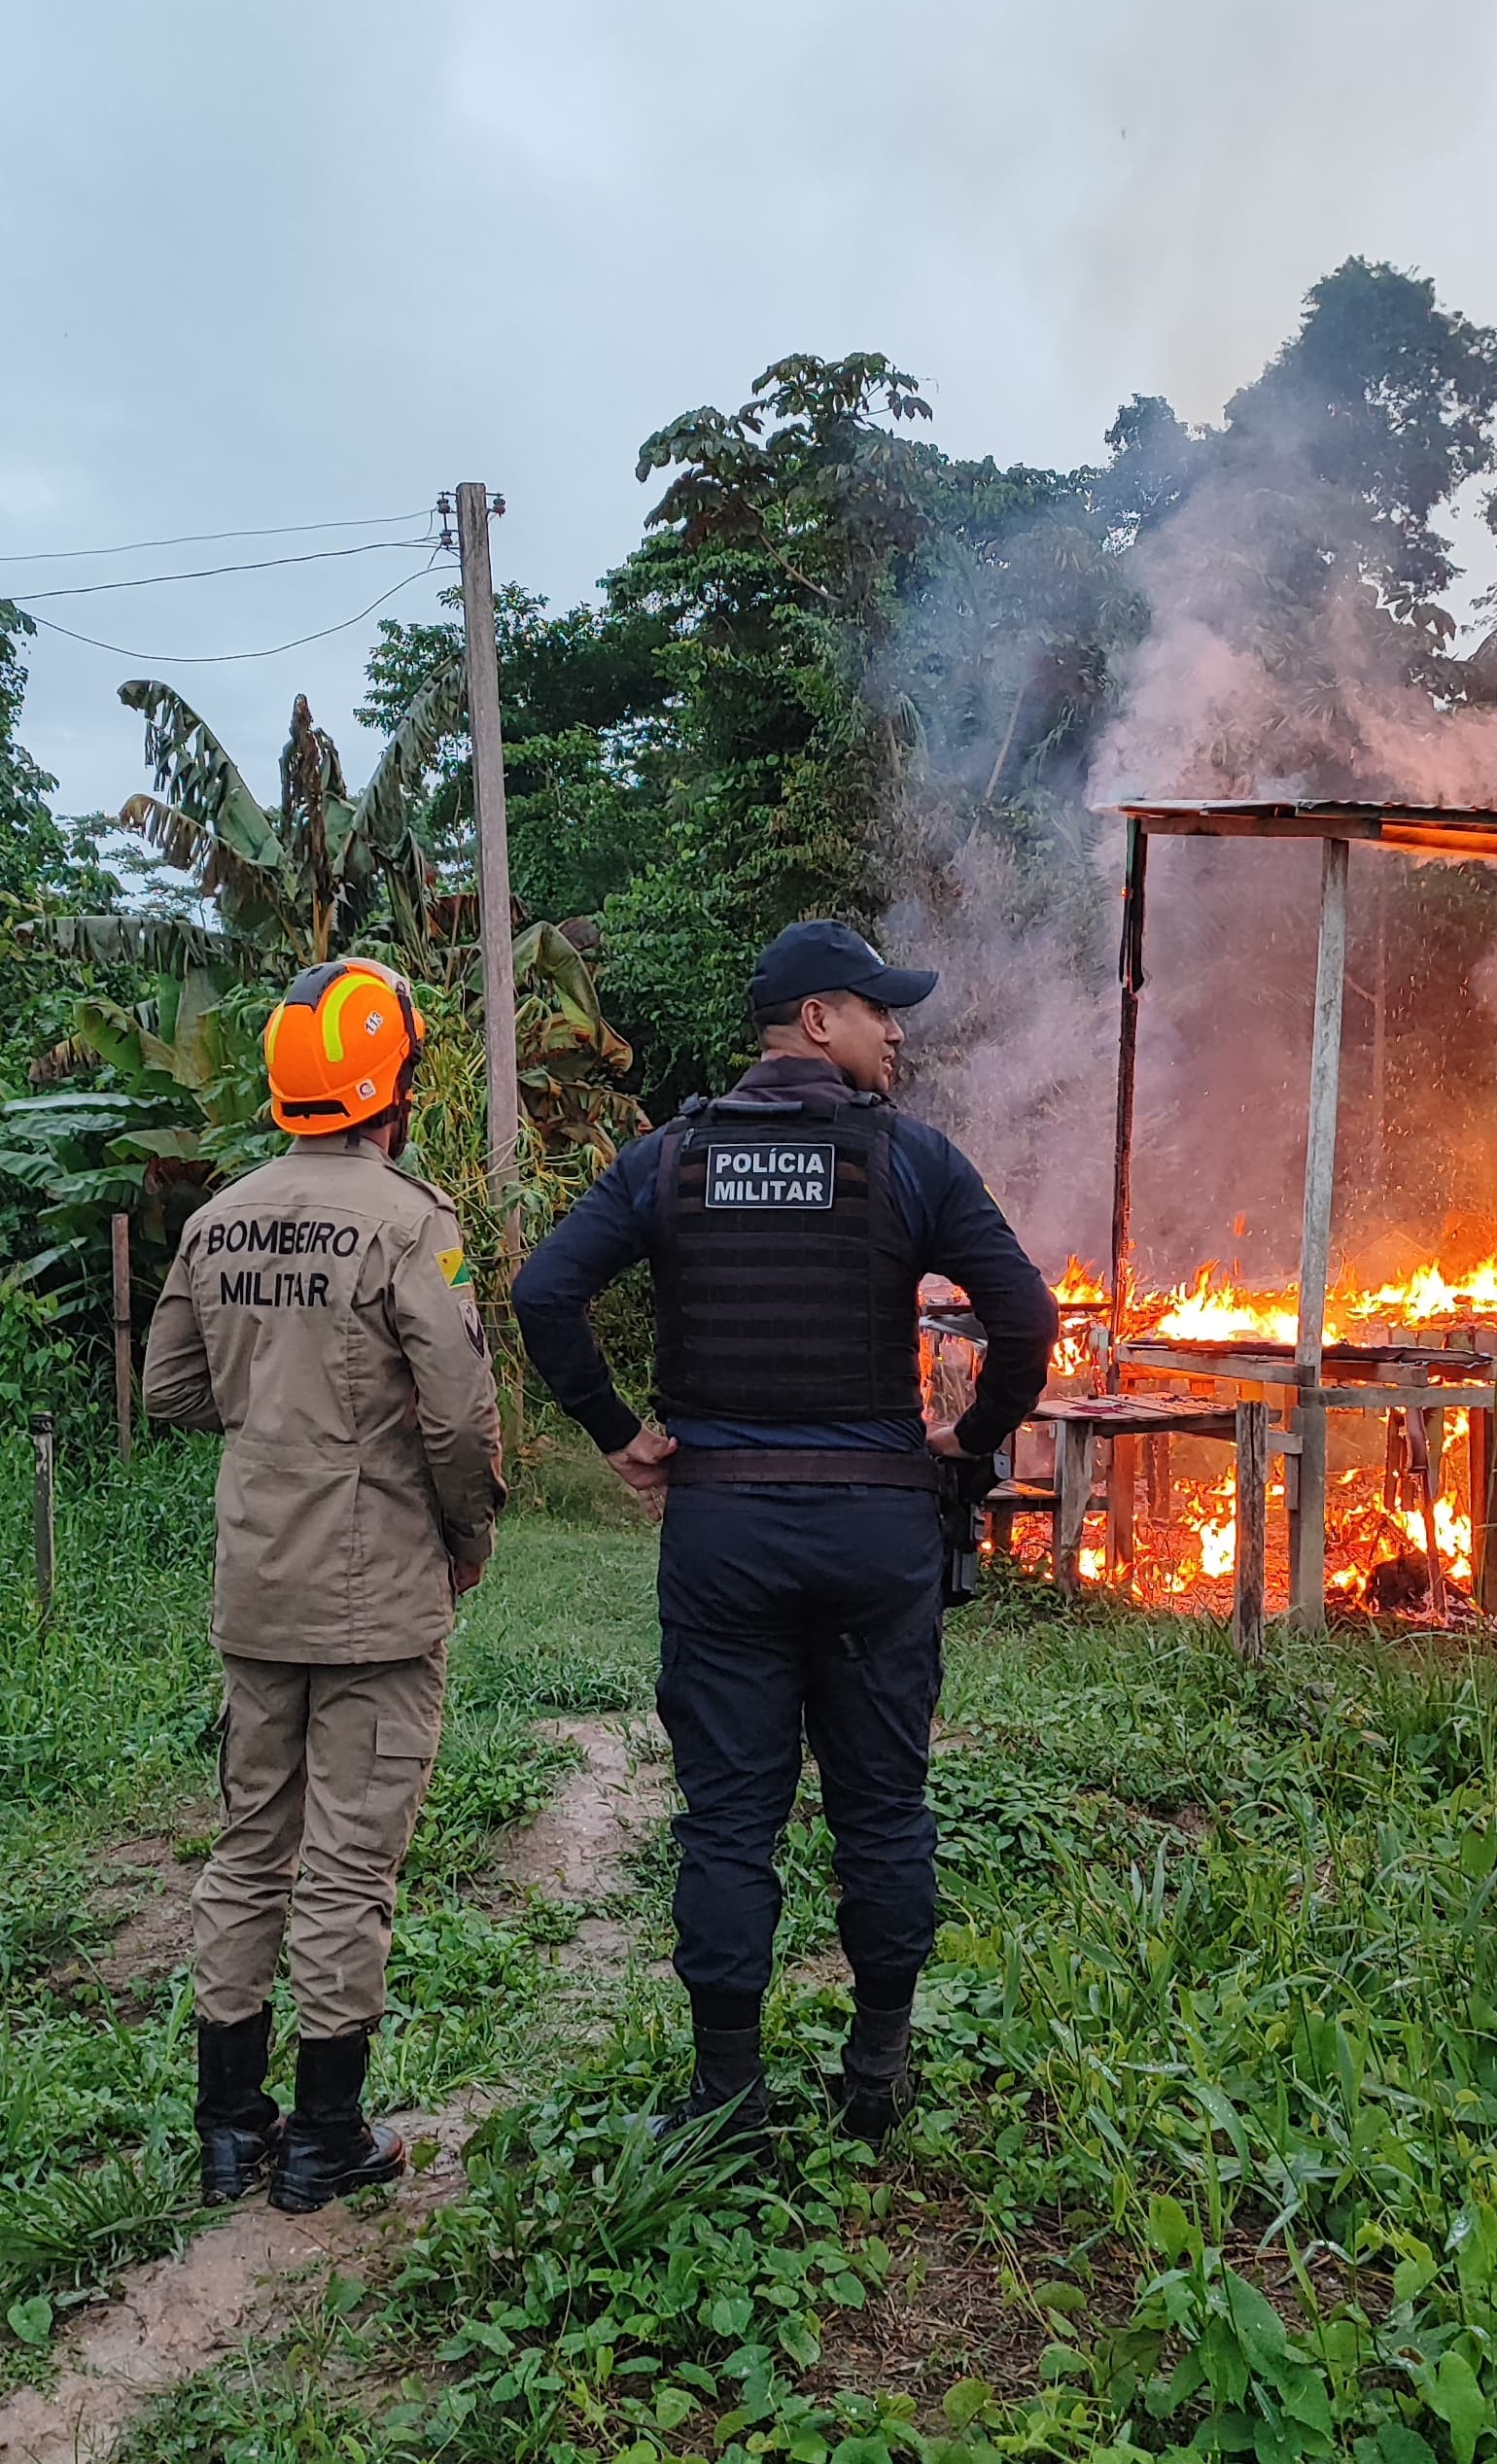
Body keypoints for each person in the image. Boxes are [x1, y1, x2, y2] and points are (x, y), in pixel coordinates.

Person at [511, 919, 1055, 2147]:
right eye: (877, 1010)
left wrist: (614, 1431)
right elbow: (1025, 1317)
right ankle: (877, 2068)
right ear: (818, 1020)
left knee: (727, 1814)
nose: (897, 1029)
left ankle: (726, 2096)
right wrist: (969, 1441)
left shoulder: (669, 1159)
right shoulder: (910, 1160)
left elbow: (543, 1290)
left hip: (724, 1535)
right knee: (882, 1803)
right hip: (875, 1537)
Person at [146, 955, 506, 2212]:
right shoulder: (412, 1222)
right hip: (375, 1594)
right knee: (349, 1865)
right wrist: (466, 1534)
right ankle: (323, 2143)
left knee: (251, 1848)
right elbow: (460, 1423)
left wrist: (276, 1425)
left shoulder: (216, 1219)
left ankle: (228, 2133)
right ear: (388, 1076)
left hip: (256, 1583)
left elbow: (170, 1393)